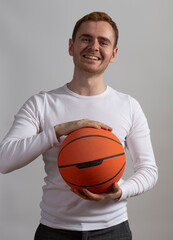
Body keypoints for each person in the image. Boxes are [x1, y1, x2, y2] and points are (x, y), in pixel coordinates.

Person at [0, 12, 158, 240]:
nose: (94, 47)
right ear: (71, 46)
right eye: (86, 39)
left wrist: (119, 192)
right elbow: (4, 160)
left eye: (103, 42)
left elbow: (149, 170)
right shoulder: (41, 104)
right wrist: (56, 131)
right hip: (54, 231)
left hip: (113, 230)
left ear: (113, 54)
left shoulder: (129, 106)